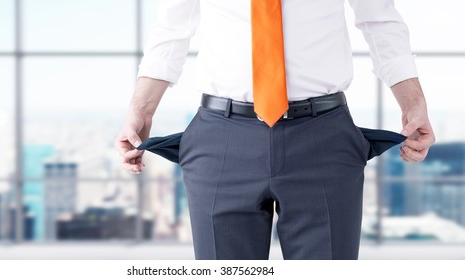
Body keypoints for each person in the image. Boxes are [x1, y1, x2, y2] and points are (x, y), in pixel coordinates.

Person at [115, 0, 435, 260]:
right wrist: (141, 109)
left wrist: (412, 102)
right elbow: (173, 25)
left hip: (322, 136)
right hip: (221, 138)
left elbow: (378, 17)